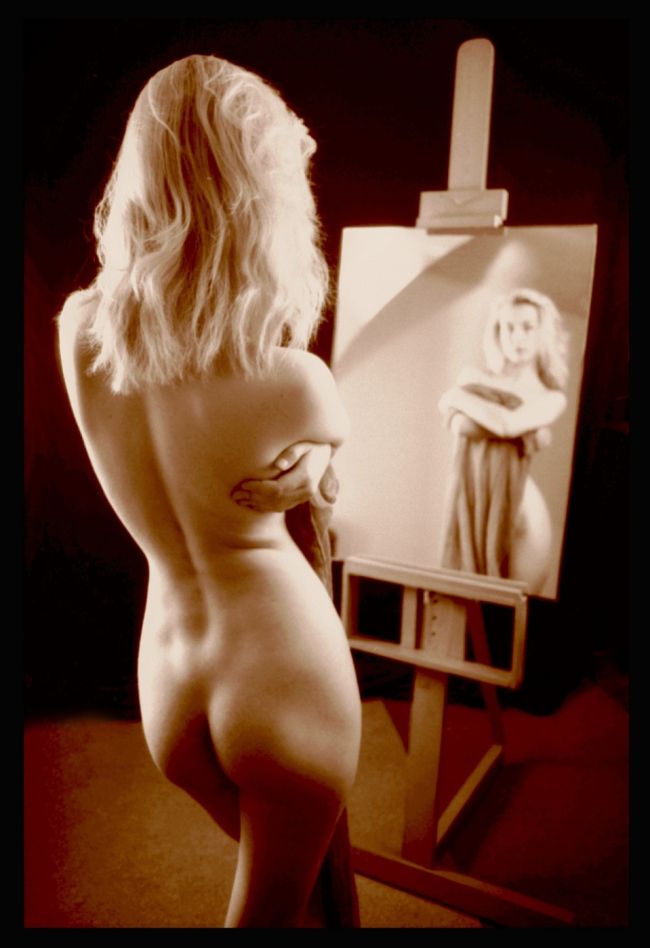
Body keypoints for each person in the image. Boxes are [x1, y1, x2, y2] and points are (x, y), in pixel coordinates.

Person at [56, 54, 362, 928]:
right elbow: (323, 475)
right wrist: (321, 454)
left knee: (304, 901)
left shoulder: (78, 333)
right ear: (259, 198)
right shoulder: (296, 382)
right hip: (280, 671)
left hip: (167, 675)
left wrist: (314, 455)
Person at [438, 288, 569, 595]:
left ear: (541, 333)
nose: (517, 336)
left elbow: (506, 425)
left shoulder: (551, 398)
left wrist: (456, 398)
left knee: (511, 612)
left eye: (527, 327)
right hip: (473, 503)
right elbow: (460, 423)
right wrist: (529, 433)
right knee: (459, 603)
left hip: (524, 518)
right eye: (508, 327)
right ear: (497, 331)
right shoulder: (473, 377)